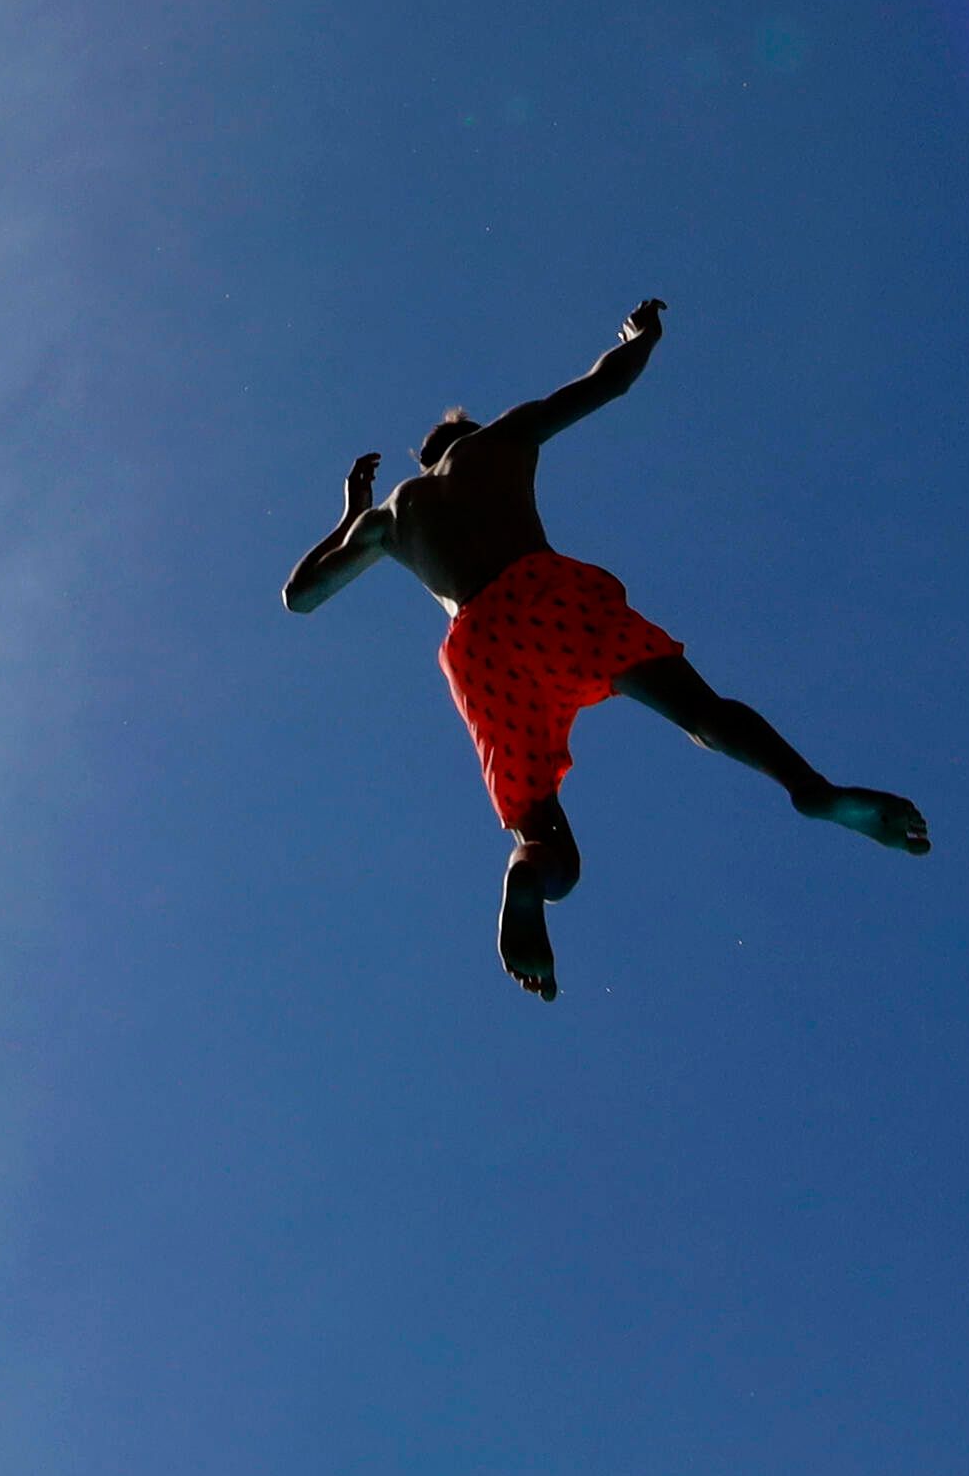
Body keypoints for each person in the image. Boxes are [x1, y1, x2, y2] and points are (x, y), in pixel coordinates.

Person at [284, 299, 928, 998]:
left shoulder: (391, 518)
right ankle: (811, 788)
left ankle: (527, 873)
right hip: (547, 598)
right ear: (470, 432)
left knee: (546, 839)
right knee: (702, 714)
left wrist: (349, 516)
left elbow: (302, 596)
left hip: (479, 650)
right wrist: (640, 337)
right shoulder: (502, 441)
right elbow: (607, 382)